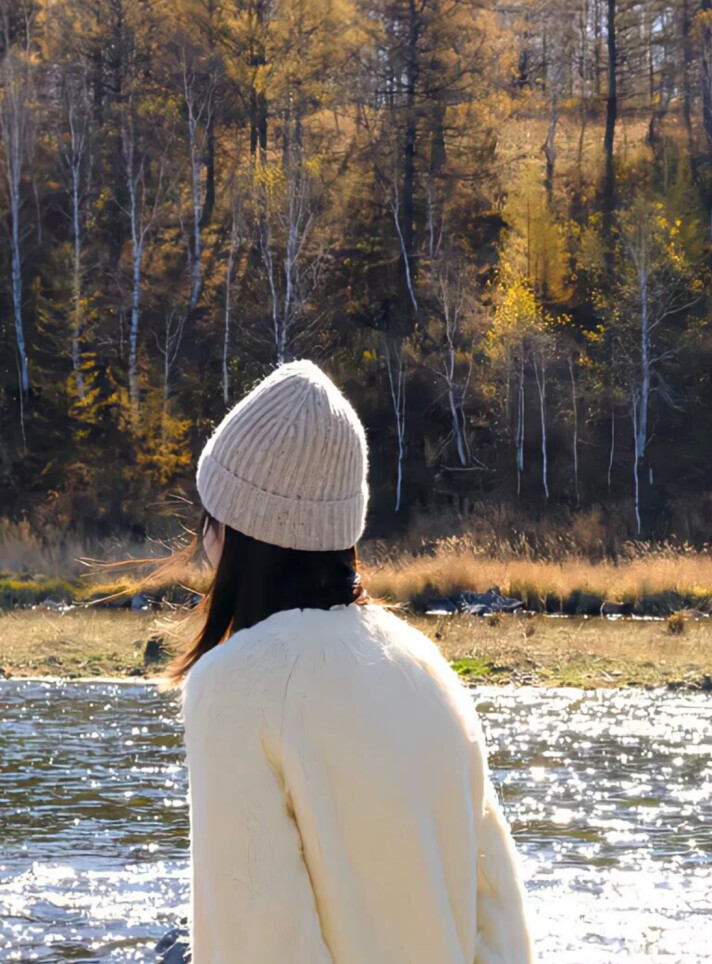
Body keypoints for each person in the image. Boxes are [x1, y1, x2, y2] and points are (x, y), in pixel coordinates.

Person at [172, 360, 534, 964]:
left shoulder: (234, 686)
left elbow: (261, 939)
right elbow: (499, 920)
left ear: (235, 528)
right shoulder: (425, 667)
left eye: (210, 514)